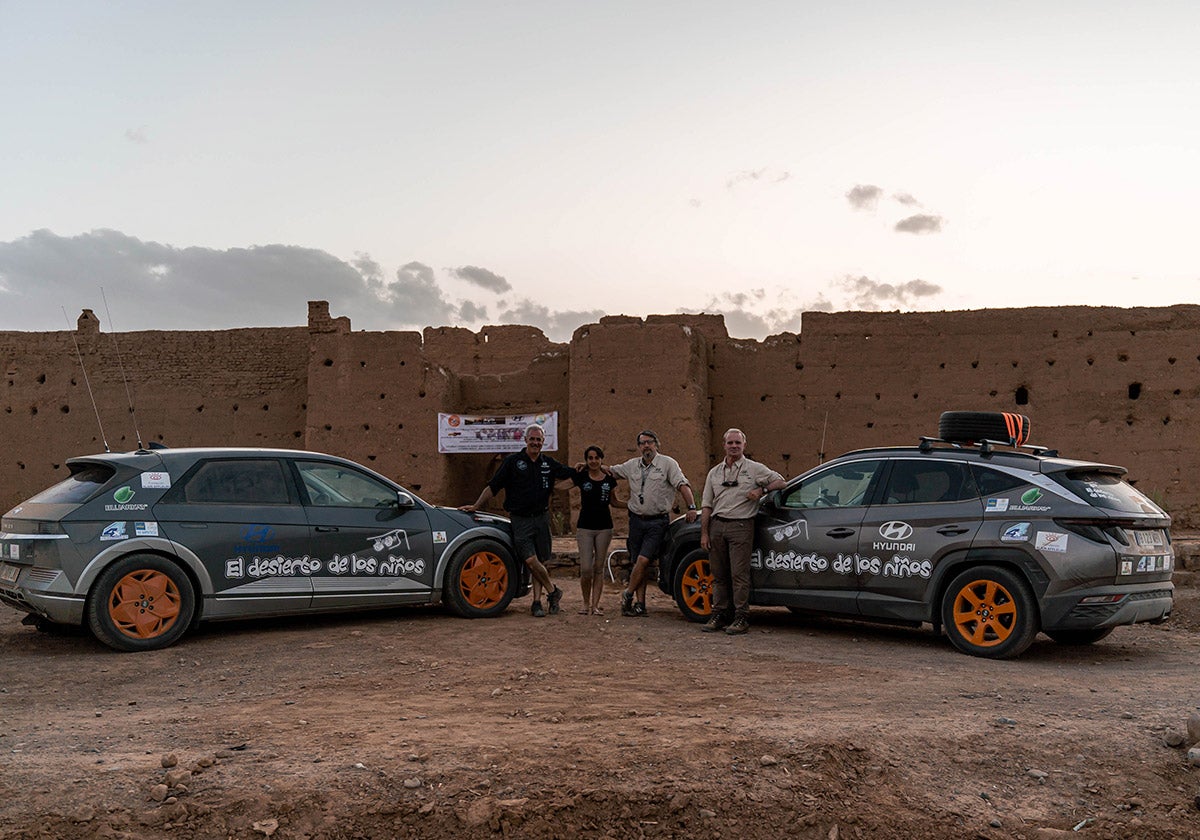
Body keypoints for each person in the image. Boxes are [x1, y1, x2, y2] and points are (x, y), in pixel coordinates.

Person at [460, 424, 574, 617]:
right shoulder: (513, 462)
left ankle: (537, 602)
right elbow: (493, 486)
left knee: (541, 561)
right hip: (520, 520)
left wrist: (576, 475)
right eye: (532, 439)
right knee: (530, 560)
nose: (535, 443)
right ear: (525, 440)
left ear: (543, 442)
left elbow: (571, 475)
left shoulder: (548, 464)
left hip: (541, 518)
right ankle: (553, 591)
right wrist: (476, 506)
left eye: (539, 440)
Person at [699, 428, 786, 635]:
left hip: (741, 526)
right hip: (717, 525)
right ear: (724, 445)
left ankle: (741, 617)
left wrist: (761, 490)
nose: (734, 446)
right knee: (719, 574)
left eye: (738, 443)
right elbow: (706, 505)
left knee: (739, 574)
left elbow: (781, 481)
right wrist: (704, 532)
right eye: (730, 443)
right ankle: (719, 613)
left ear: (744, 445)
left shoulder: (754, 469)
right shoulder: (715, 472)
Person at [607, 430, 697, 617]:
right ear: (639, 447)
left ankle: (628, 593)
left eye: (650, 442)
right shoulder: (632, 466)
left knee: (644, 559)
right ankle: (640, 604)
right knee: (638, 563)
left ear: (657, 444)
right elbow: (611, 472)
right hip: (636, 521)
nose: (646, 446)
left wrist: (691, 507)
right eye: (642, 443)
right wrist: (591, 466)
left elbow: (682, 484)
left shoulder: (667, 464)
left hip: (657, 522)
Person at [564, 445, 622, 615]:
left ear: (601, 459)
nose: (594, 461)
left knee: (599, 566)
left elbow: (614, 502)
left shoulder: (609, 478)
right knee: (586, 568)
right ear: (586, 460)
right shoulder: (581, 476)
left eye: (597, 458)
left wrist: (634, 507)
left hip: (604, 527)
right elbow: (563, 484)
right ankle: (585, 602)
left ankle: (595, 605)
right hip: (585, 527)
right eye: (590, 458)